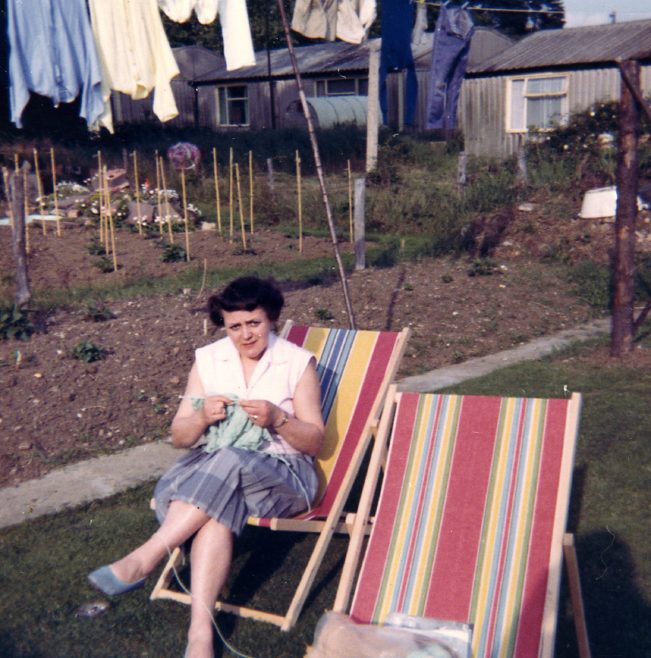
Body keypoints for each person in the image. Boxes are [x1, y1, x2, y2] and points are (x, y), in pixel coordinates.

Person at [88, 276, 325, 658]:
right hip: (219, 471)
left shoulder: (297, 363)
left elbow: (315, 442)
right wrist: (200, 417)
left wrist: (279, 418)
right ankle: (200, 636)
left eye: (254, 323)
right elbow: (180, 436)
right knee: (216, 510)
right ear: (224, 326)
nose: (246, 335)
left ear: (271, 319)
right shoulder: (209, 359)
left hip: (286, 473)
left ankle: (146, 557)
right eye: (235, 326)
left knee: (226, 465)